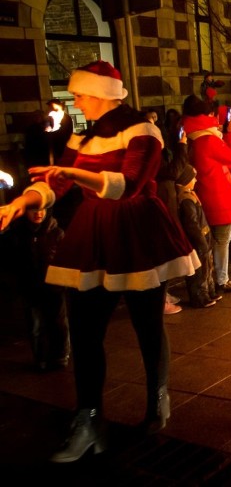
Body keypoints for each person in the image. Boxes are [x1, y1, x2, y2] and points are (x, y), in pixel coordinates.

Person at [0, 60, 198, 462]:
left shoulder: (143, 130)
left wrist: (74, 173)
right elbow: (56, 182)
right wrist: (25, 200)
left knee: (147, 324)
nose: (75, 101)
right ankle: (89, 419)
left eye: (79, 94)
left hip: (137, 231)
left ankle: (158, 395)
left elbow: (128, 186)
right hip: (92, 233)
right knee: (86, 331)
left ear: (101, 94)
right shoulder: (84, 137)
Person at [182, 94, 231, 294]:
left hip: (206, 196)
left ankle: (211, 280)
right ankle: (222, 279)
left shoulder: (192, 139)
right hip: (221, 197)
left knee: (210, 241)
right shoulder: (208, 139)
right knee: (222, 241)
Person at [0, 203, 69, 371]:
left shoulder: (56, 233)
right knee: (35, 325)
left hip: (53, 288)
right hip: (29, 287)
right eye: (34, 210)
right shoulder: (17, 234)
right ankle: (41, 358)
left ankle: (60, 356)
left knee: (58, 323)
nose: (38, 213)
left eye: (42, 209)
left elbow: (66, 259)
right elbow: (9, 259)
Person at [175, 165, 219, 308]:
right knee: (199, 270)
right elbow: (192, 225)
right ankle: (199, 296)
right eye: (192, 178)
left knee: (207, 267)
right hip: (198, 240)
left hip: (204, 236)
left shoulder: (191, 196)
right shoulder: (186, 200)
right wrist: (201, 242)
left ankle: (209, 291)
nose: (195, 180)